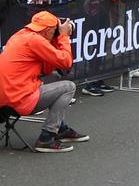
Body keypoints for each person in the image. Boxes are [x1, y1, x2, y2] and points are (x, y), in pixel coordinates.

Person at [0, 11, 89, 153]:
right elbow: (66, 62)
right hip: (19, 100)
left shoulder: (20, 35)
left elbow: (47, 70)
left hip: (4, 99)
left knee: (52, 79)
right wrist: (64, 36)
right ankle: (46, 137)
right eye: (55, 30)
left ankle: (61, 128)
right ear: (48, 31)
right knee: (68, 87)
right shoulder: (36, 41)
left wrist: (55, 37)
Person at [83, 0, 128, 96]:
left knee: (102, 40)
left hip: (103, 8)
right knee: (94, 42)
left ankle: (97, 77)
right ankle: (89, 81)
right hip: (93, 8)